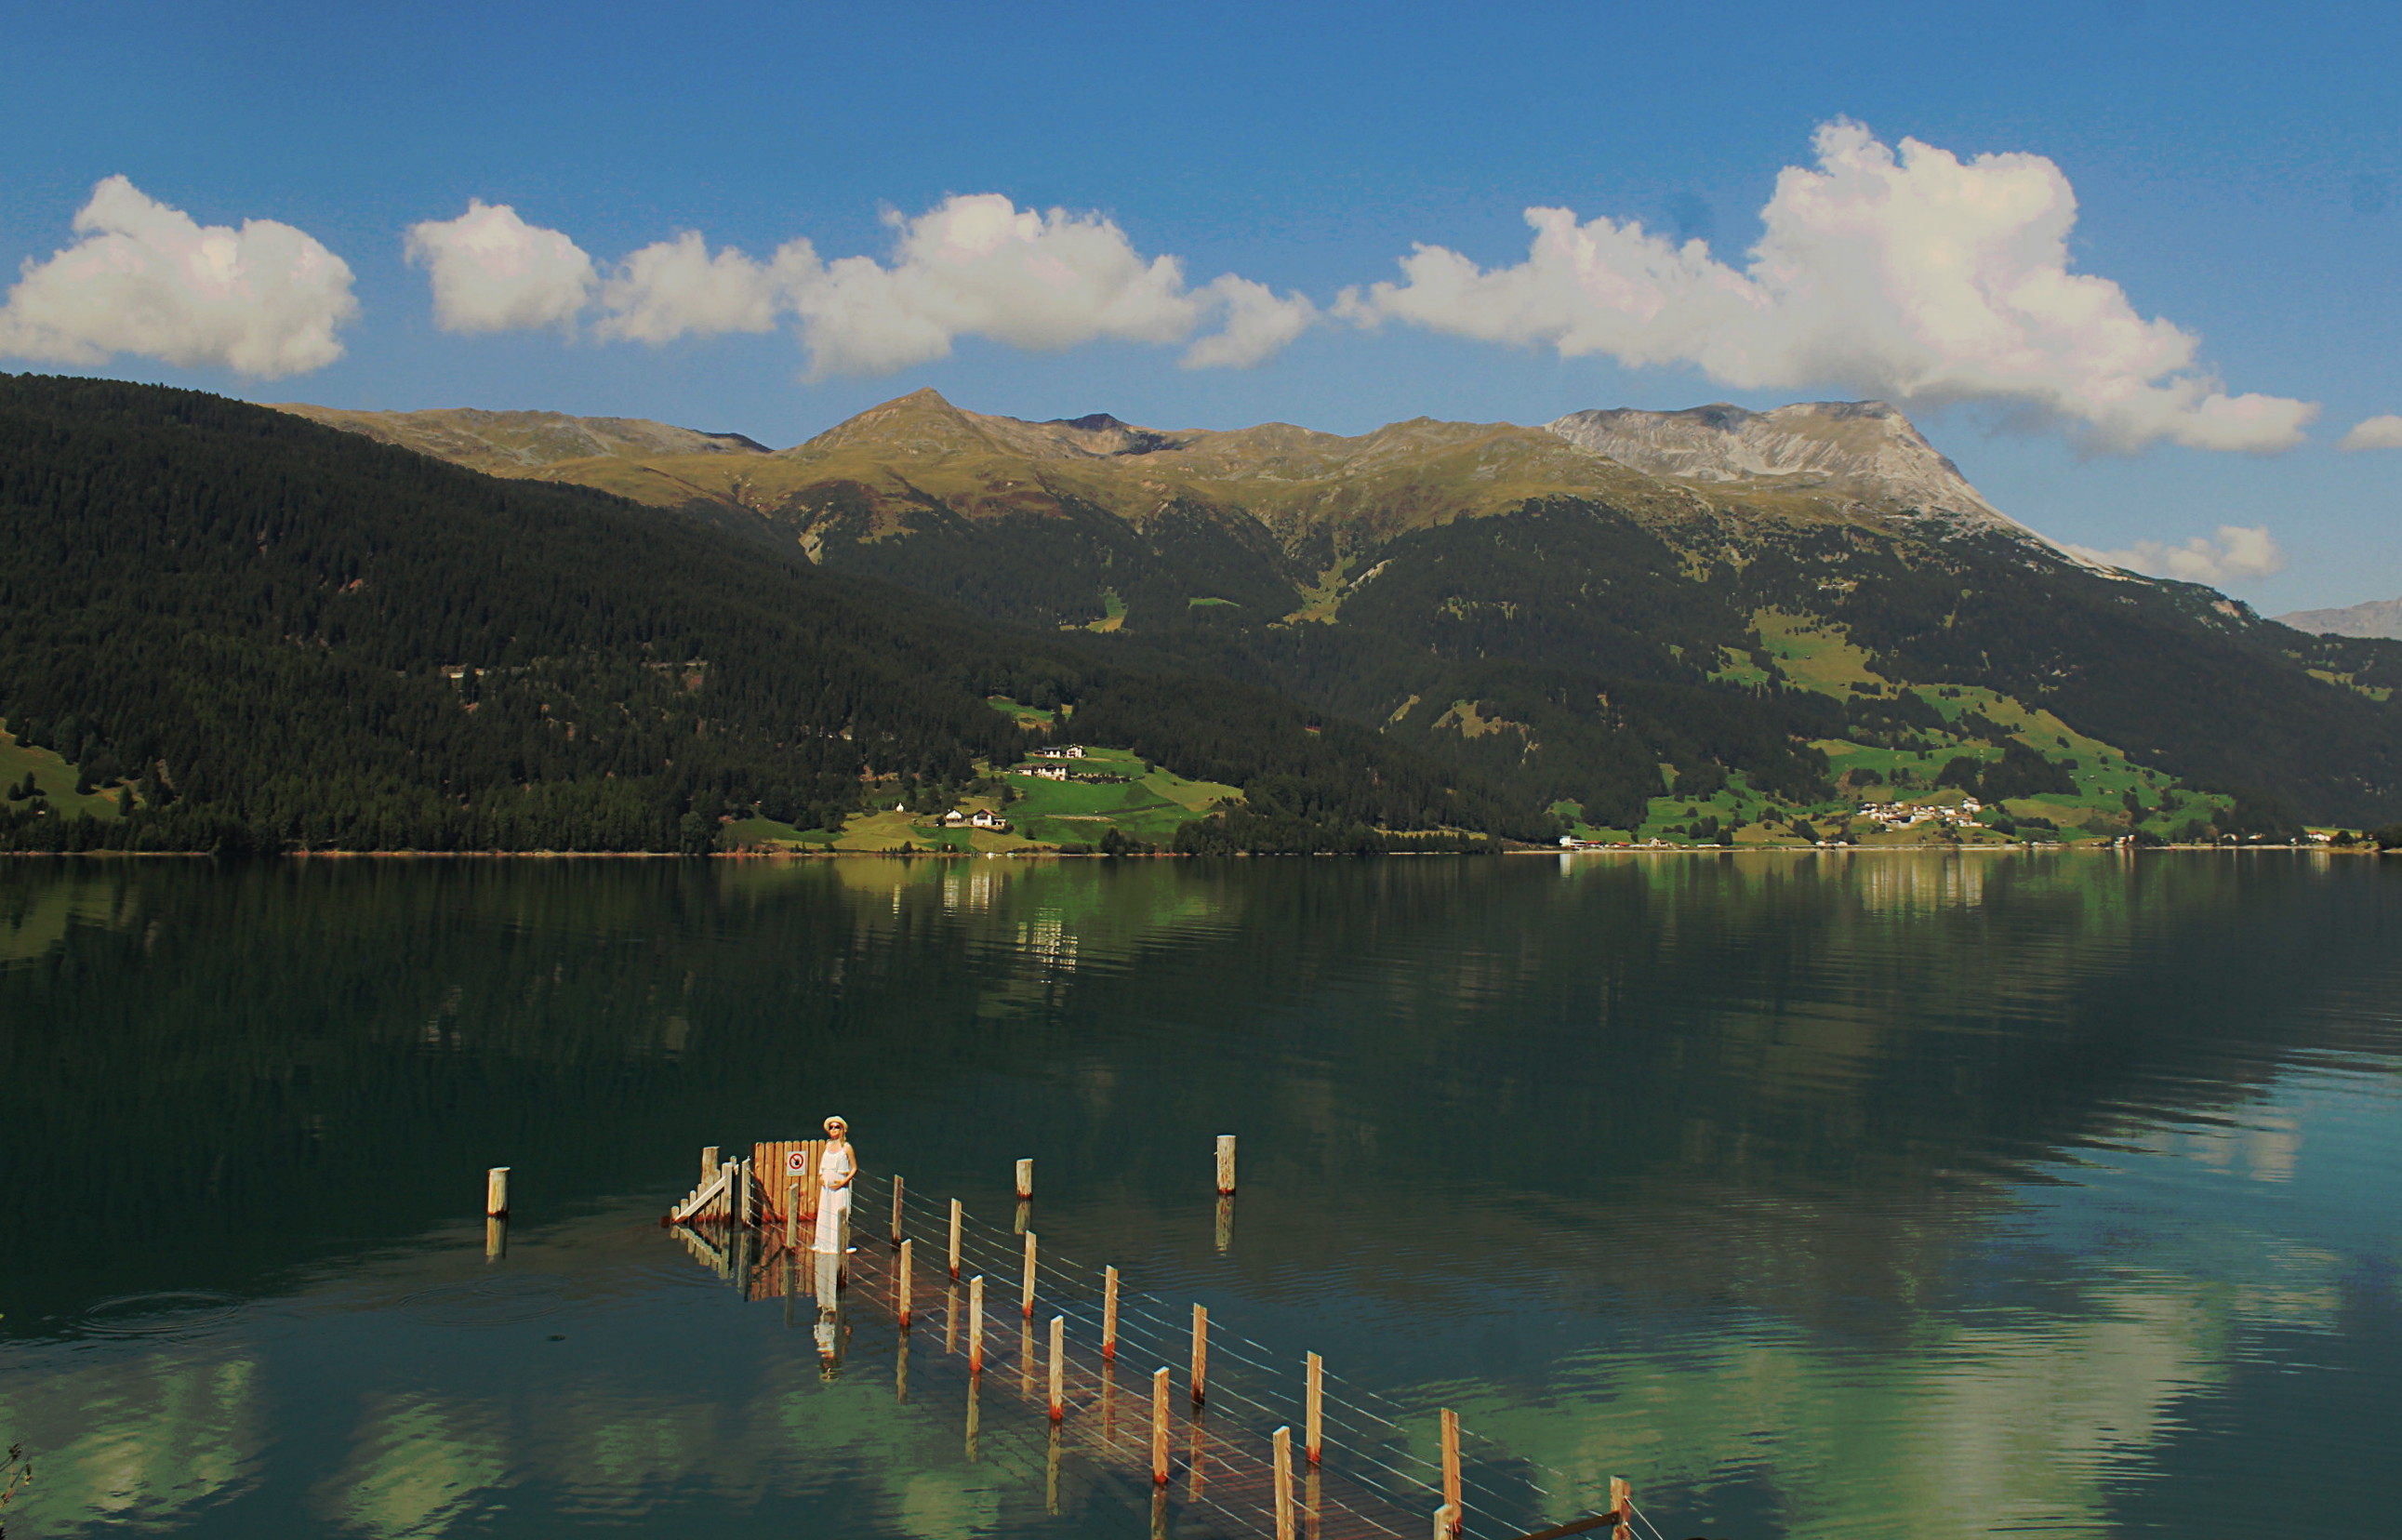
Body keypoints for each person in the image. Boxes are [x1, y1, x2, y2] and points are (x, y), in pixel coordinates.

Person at [813, 1115, 856, 1255]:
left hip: (839, 1186)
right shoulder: (828, 1145)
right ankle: (823, 1243)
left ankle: (839, 1244)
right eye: (831, 1127)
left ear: (842, 1129)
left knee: (838, 1214)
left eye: (836, 1127)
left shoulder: (846, 1147)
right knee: (826, 1213)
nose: (833, 1129)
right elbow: (822, 1166)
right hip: (826, 1188)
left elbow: (854, 1168)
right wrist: (820, 1177)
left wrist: (843, 1182)